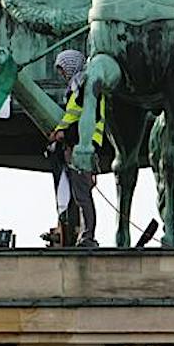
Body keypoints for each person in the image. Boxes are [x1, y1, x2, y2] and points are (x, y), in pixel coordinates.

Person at [47, 49, 101, 246]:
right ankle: (84, 235)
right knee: (80, 195)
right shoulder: (78, 86)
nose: (62, 74)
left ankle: (87, 236)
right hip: (78, 145)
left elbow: (83, 117)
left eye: (63, 69)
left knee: (82, 196)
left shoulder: (82, 86)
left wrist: (64, 134)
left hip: (82, 146)